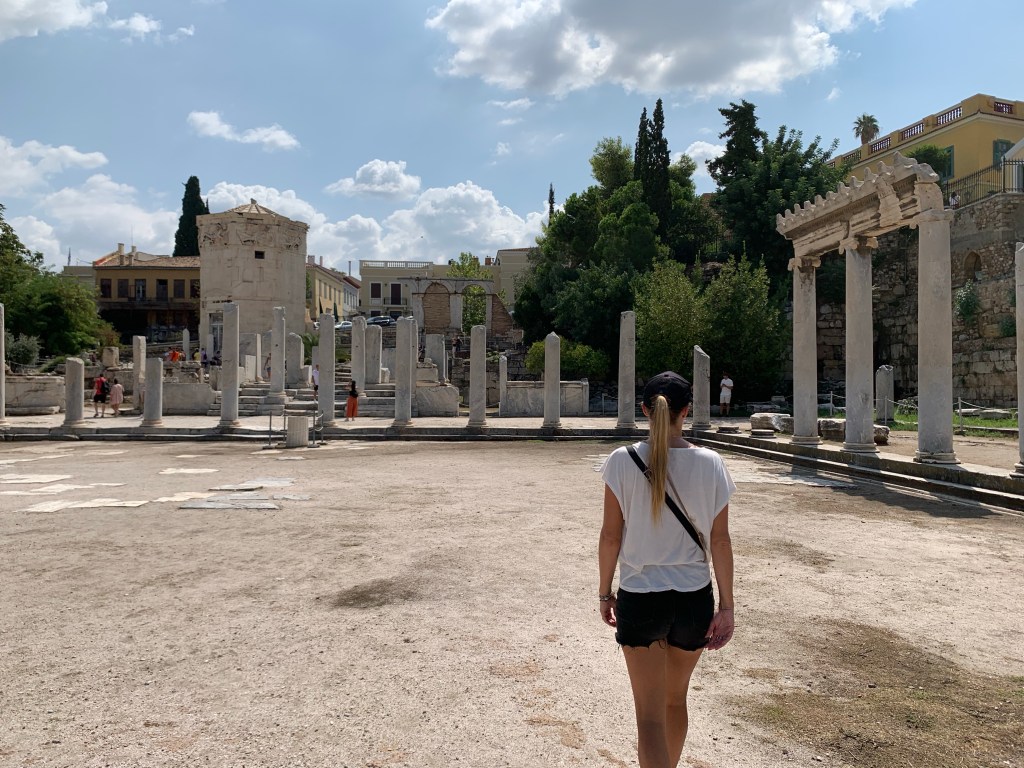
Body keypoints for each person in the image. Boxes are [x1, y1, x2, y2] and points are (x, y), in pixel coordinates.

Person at [598, 372, 735, 768]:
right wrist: (727, 606)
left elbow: (610, 536)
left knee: (650, 716)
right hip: (693, 598)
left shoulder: (622, 461)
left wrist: (605, 592)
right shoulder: (711, 463)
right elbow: (720, 542)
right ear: (686, 412)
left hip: (641, 595)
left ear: (645, 410)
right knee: (676, 701)